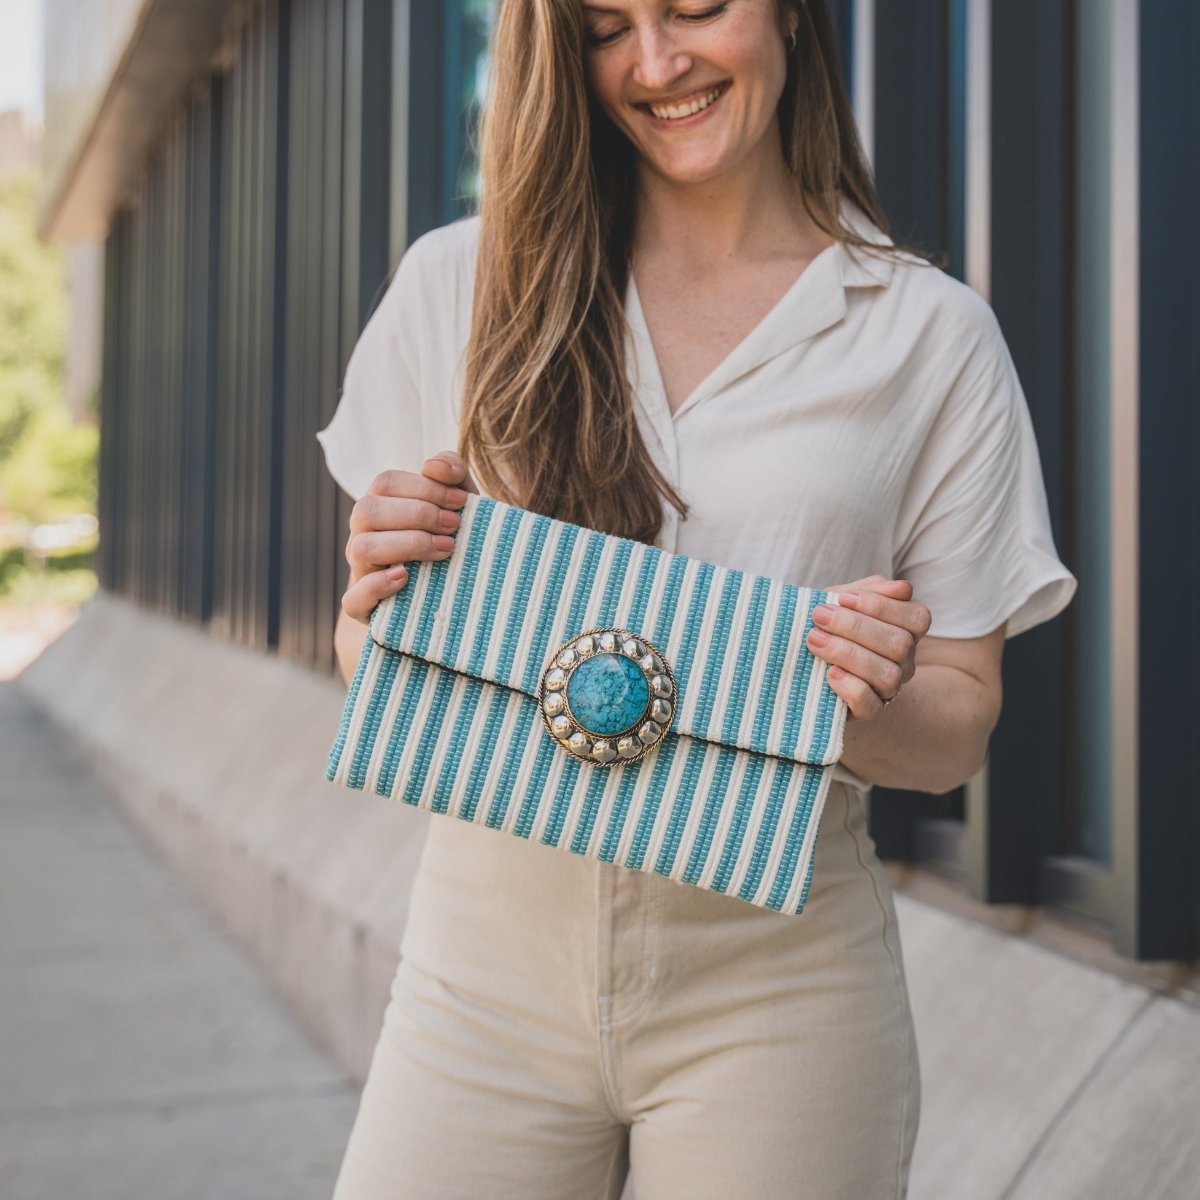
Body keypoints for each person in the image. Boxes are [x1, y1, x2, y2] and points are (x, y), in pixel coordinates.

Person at [316, 1, 1078, 1196]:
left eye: (694, 8)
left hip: (780, 992)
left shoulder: (929, 338)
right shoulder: (459, 284)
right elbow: (367, 666)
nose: (658, 63)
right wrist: (374, 601)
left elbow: (959, 727)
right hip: (477, 975)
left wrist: (856, 697)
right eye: (608, 26)